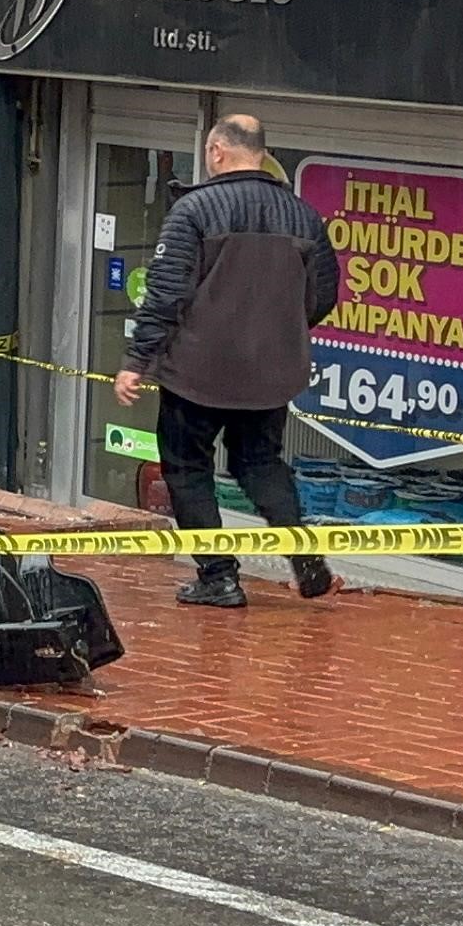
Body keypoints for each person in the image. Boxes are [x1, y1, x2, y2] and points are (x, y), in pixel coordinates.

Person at [116, 114, 342, 608]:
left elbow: (166, 292)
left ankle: (218, 577)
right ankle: (308, 565)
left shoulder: (194, 210)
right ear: (260, 153)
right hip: (270, 375)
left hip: (196, 373)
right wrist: (278, 332)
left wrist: (138, 359)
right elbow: (324, 294)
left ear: (217, 151)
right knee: (261, 464)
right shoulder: (304, 216)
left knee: (187, 469)